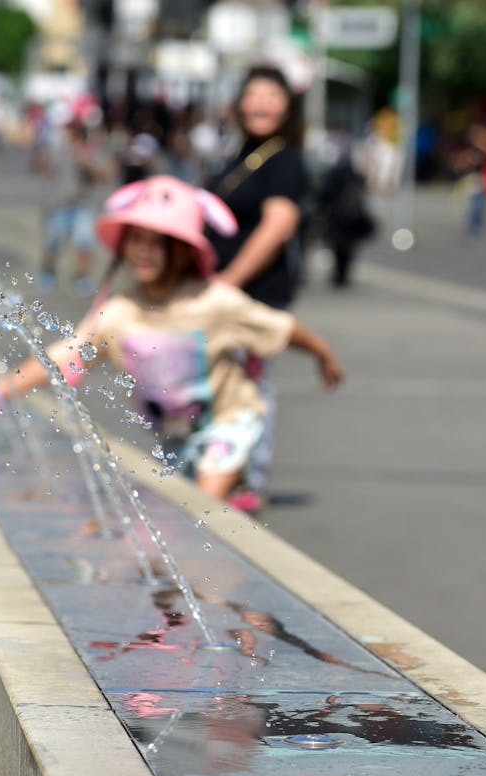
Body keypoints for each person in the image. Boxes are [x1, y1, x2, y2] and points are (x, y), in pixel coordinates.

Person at [0, 175, 343, 504]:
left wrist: (323, 354)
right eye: (136, 239)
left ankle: (230, 493)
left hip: (230, 421)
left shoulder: (213, 301)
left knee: (202, 512)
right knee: (179, 520)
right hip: (175, 432)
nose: (143, 250)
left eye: (158, 241)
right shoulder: (120, 313)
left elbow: (281, 328)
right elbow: (66, 355)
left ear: (183, 251)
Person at [205, 65, 311, 511]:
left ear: (288, 106)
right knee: (222, 381)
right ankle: (222, 470)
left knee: (250, 383)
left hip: (253, 292)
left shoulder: (284, 159)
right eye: (254, 94)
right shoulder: (243, 154)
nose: (262, 103)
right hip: (222, 291)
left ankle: (249, 477)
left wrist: (229, 282)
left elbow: (278, 226)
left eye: (272, 95)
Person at [35, 106, 111, 291]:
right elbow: (39, 167)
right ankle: (47, 272)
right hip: (58, 203)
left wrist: (86, 160)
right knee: (53, 242)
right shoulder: (54, 146)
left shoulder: (90, 149)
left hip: (82, 203)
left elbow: (104, 174)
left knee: (84, 242)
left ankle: (81, 277)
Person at [316, 146, 375, 288]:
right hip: (351, 216)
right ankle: (343, 274)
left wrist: (322, 208)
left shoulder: (333, 174)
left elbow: (325, 194)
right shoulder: (356, 174)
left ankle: (339, 275)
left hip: (337, 216)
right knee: (348, 248)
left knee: (338, 247)